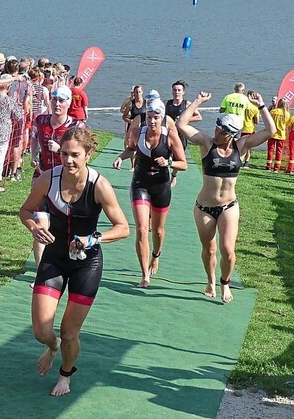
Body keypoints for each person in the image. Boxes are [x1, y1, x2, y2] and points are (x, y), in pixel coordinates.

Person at [21, 126, 129, 396]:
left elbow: (123, 227)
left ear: (88, 154)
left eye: (75, 155)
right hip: (55, 259)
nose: (68, 160)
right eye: (64, 154)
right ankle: (53, 345)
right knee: (41, 330)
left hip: (86, 264)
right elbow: (25, 210)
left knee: (70, 332)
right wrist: (34, 227)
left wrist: (94, 238)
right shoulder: (48, 179)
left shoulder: (99, 185)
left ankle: (65, 375)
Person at [176, 91, 276, 304]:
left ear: (231, 135)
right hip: (204, 207)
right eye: (216, 128)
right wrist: (198, 102)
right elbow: (181, 124)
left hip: (229, 206)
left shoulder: (241, 146)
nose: (216, 132)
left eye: (221, 131)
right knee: (209, 250)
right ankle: (210, 279)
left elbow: (271, 131)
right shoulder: (206, 143)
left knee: (228, 251)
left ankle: (225, 282)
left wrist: (261, 106)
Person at [112, 99, 187, 288]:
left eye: (156, 118)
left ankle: (156, 256)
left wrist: (169, 163)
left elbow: (183, 163)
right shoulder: (137, 132)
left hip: (161, 185)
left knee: (158, 230)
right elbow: (131, 149)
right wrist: (121, 157)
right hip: (140, 183)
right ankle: (144, 274)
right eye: (149, 117)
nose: (152, 121)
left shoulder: (169, 135)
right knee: (142, 229)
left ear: (162, 119)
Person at [30, 86, 86, 267]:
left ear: (69, 103)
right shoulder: (41, 120)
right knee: (40, 227)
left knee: (67, 227)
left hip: (66, 182)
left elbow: (82, 154)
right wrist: (33, 155)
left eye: (62, 100)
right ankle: (41, 271)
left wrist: (60, 150)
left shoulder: (76, 126)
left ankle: (71, 263)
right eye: (54, 99)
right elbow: (33, 136)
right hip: (42, 178)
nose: (57, 104)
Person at [164, 80, 201, 183]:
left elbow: (198, 117)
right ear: (172, 91)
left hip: (181, 135)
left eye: (179, 90)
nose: (176, 92)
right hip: (167, 134)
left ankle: (174, 176)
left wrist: (184, 119)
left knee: (178, 157)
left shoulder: (187, 104)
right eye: (175, 90)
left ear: (183, 92)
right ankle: (163, 176)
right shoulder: (167, 103)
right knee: (163, 153)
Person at [120, 85, 146, 170]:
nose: (138, 94)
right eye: (136, 92)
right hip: (132, 128)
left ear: (142, 92)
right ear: (133, 93)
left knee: (143, 146)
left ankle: (143, 164)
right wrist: (131, 121)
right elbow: (124, 117)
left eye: (139, 92)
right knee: (132, 146)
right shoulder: (130, 103)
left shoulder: (147, 103)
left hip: (143, 127)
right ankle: (133, 166)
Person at [266, 99, 290, 172]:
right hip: (281, 134)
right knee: (279, 151)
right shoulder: (287, 114)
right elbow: (287, 124)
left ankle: (268, 166)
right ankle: (276, 168)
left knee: (270, 149)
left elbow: (269, 120)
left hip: (272, 133)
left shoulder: (273, 111)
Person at [239, 91, 260, 168]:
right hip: (250, 128)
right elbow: (256, 121)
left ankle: (240, 160)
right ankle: (246, 162)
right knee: (249, 147)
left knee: (241, 145)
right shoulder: (255, 108)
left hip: (242, 127)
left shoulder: (243, 105)